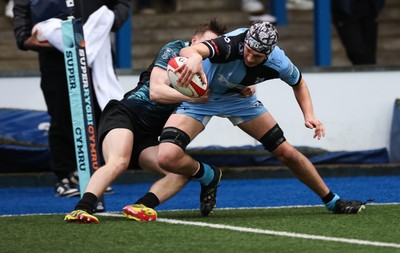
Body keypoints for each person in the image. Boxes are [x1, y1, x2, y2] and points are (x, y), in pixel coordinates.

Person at [156, 21, 367, 215]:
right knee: (167, 157)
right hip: (202, 98)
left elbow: (299, 83)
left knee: (286, 153)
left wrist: (309, 115)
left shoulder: (279, 62)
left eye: (257, 56)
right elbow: (190, 50)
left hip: (238, 100)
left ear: (268, 53)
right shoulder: (232, 43)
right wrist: (193, 58)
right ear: (245, 42)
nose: (249, 58)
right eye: (248, 51)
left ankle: (333, 201)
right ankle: (208, 176)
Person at [63, 19, 228, 223]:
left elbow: (237, 80)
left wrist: (247, 88)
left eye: (214, 46)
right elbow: (156, 91)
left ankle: (142, 206)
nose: (208, 49)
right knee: (119, 161)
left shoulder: (213, 70)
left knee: (179, 172)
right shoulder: (176, 49)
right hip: (125, 115)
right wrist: (192, 98)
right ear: (194, 41)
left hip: (148, 136)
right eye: (206, 43)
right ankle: (82, 209)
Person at [13, 0, 130, 197]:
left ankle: (100, 173)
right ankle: (64, 177)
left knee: (102, 112)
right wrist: (64, 40)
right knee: (62, 117)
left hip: (98, 61)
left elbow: (122, 5)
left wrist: (108, 22)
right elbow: (23, 37)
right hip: (56, 64)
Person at [331, 0, 385, 65]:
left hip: (369, 7)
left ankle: (367, 73)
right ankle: (365, 73)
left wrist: (378, 6)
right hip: (345, 11)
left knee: (369, 54)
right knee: (357, 51)